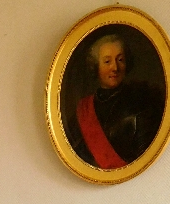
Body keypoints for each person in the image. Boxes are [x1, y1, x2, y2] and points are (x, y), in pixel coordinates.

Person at [64, 34, 164, 169]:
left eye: (120, 60)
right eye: (107, 61)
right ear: (95, 66)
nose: (115, 68)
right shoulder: (84, 109)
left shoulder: (141, 100)